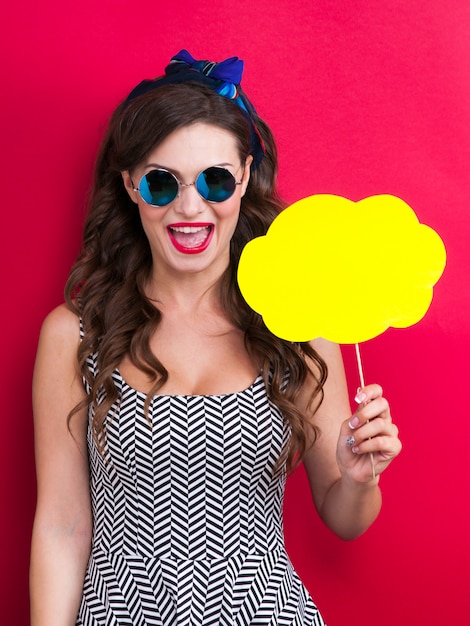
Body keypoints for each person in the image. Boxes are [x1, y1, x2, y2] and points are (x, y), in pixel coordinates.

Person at [30, 50, 402, 626]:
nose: (190, 206)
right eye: (162, 182)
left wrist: (359, 477)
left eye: (215, 179)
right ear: (130, 185)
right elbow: (61, 525)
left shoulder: (298, 321)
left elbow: (345, 517)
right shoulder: (75, 334)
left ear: (246, 176)